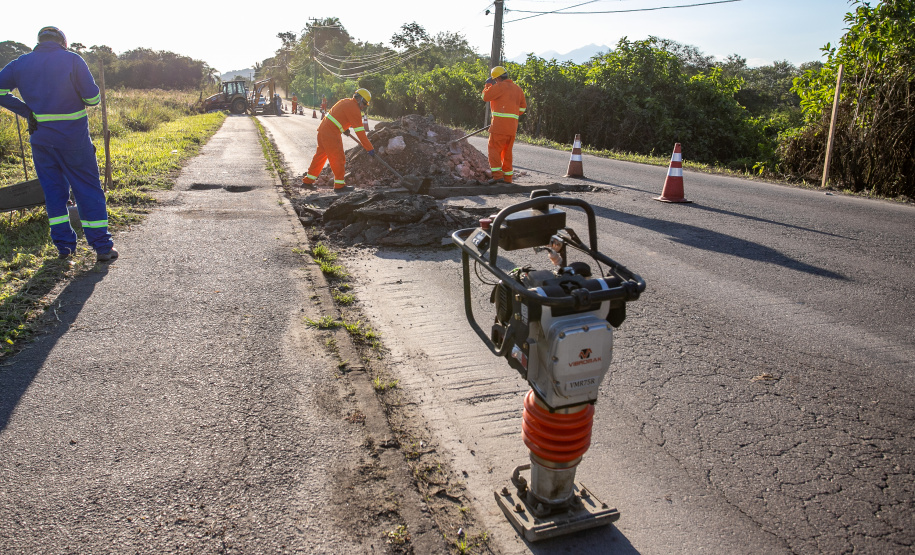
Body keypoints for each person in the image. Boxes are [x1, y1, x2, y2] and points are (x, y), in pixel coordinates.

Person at [0, 26, 116, 262]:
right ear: (63, 42)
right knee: (87, 189)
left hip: (41, 140)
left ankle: (64, 247)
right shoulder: (72, 59)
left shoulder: (20, 63)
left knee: (53, 193)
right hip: (74, 140)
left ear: (39, 42)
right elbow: (92, 99)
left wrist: (27, 112)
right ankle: (102, 247)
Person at [301, 89, 374, 194]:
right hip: (331, 134)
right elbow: (360, 133)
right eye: (363, 103)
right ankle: (339, 186)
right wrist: (369, 148)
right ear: (359, 99)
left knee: (320, 157)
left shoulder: (345, 101)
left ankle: (307, 181)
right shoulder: (354, 109)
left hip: (323, 130)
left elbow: (337, 116)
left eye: (365, 105)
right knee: (339, 158)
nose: (363, 106)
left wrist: (344, 129)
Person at [482, 66, 526, 184]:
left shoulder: (498, 87)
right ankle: (508, 179)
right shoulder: (518, 89)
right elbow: (522, 109)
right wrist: (511, 112)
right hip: (512, 128)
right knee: (507, 153)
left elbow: (485, 97)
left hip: (499, 127)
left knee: (494, 150)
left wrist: (487, 85)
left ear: (496, 78)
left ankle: (497, 177)